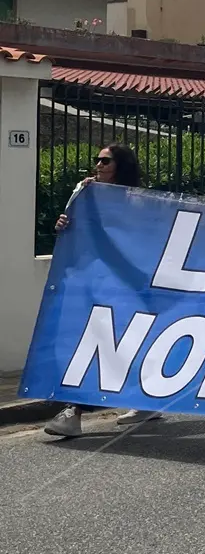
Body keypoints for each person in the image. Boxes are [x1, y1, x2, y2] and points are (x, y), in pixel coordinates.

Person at [45, 144, 155, 438]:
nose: (98, 165)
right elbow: (70, 227)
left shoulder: (136, 200)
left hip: (125, 283)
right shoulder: (84, 192)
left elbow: (145, 238)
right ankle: (75, 409)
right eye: (97, 160)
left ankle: (76, 410)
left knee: (115, 340)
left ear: (121, 166)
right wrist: (62, 223)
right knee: (92, 339)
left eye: (105, 160)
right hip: (92, 281)